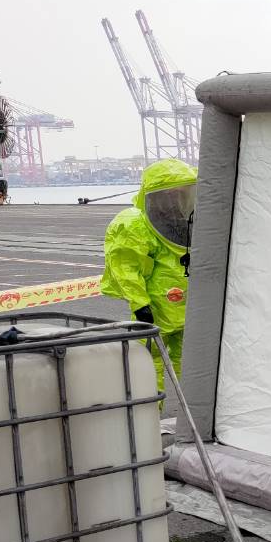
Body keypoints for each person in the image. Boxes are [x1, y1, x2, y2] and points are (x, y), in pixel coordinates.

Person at [99, 159, 197, 391]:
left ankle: (195, 412)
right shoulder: (136, 225)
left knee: (191, 361)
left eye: (181, 193)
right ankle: (150, 416)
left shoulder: (187, 220)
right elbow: (126, 269)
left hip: (187, 305)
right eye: (169, 194)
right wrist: (141, 304)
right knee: (150, 363)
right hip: (155, 307)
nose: (175, 200)